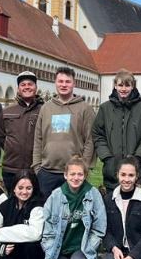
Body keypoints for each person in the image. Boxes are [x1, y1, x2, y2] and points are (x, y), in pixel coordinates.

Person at [39, 156, 106, 259]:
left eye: (80, 174)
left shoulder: (93, 194)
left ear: (85, 175)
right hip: (60, 249)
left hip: (81, 248)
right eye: (72, 174)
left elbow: (99, 229)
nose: (76, 178)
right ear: (65, 175)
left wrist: (89, 247)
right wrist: (50, 249)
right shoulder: (56, 196)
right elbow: (47, 227)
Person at [33, 67, 95, 199]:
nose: (64, 85)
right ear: (55, 83)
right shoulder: (46, 108)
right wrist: (37, 168)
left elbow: (90, 140)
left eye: (67, 81)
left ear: (74, 84)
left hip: (73, 172)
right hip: (47, 171)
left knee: (72, 212)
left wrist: (83, 167)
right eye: (60, 81)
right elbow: (38, 138)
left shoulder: (85, 108)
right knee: (47, 212)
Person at [92, 69, 141, 193]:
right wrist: (106, 157)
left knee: (135, 207)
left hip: (135, 168)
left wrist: (138, 157)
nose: (123, 89)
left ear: (133, 86)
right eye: (120, 85)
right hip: (112, 168)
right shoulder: (105, 108)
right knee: (112, 207)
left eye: (127, 85)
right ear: (115, 86)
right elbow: (97, 134)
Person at [0, 71, 43, 194]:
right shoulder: (7, 111)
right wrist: (11, 147)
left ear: (36, 88)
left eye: (30, 84)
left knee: (35, 203)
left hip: (36, 168)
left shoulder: (44, 110)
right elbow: (1, 136)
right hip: (11, 168)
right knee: (13, 203)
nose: (27, 87)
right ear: (18, 89)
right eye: (23, 84)